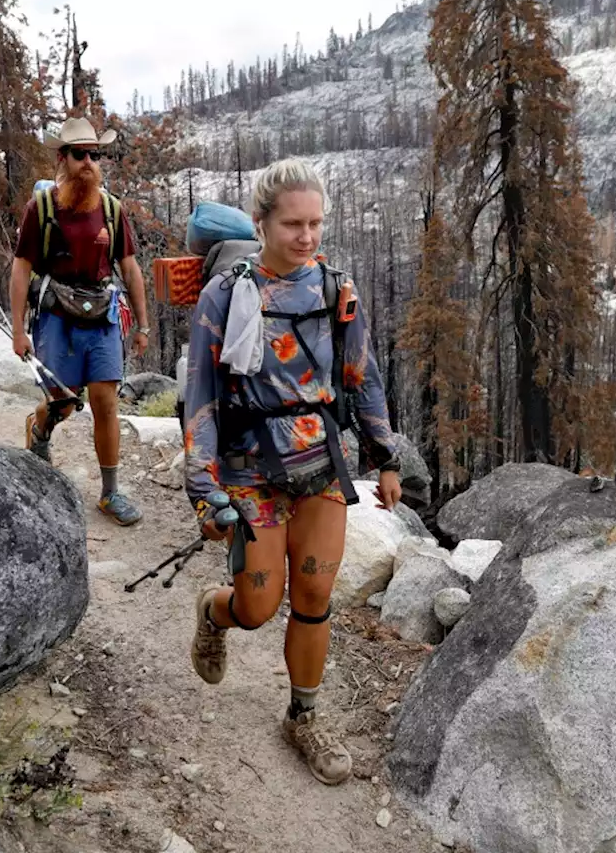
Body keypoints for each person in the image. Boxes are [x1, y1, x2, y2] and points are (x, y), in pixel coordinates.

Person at [181, 158, 402, 785]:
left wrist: (386, 459)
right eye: (293, 225)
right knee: (257, 606)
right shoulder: (226, 295)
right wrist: (204, 488)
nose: (307, 237)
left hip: (321, 465)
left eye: (316, 224)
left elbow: (362, 377)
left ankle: (304, 716)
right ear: (262, 224)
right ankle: (214, 613)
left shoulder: (337, 290)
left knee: (312, 598)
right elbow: (200, 394)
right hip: (249, 467)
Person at [10, 117, 151, 526]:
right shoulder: (42, 209)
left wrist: (142, 325)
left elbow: (129, 266)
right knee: (64, 401)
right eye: (79, 154)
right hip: (57, 314)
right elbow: (21, 269)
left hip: (103, 314)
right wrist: (19, 331)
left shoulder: (111, 209)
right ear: (63, 158)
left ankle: (110, 493)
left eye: (95, 153)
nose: (88, 161)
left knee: (106, 402)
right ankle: (39, 429)